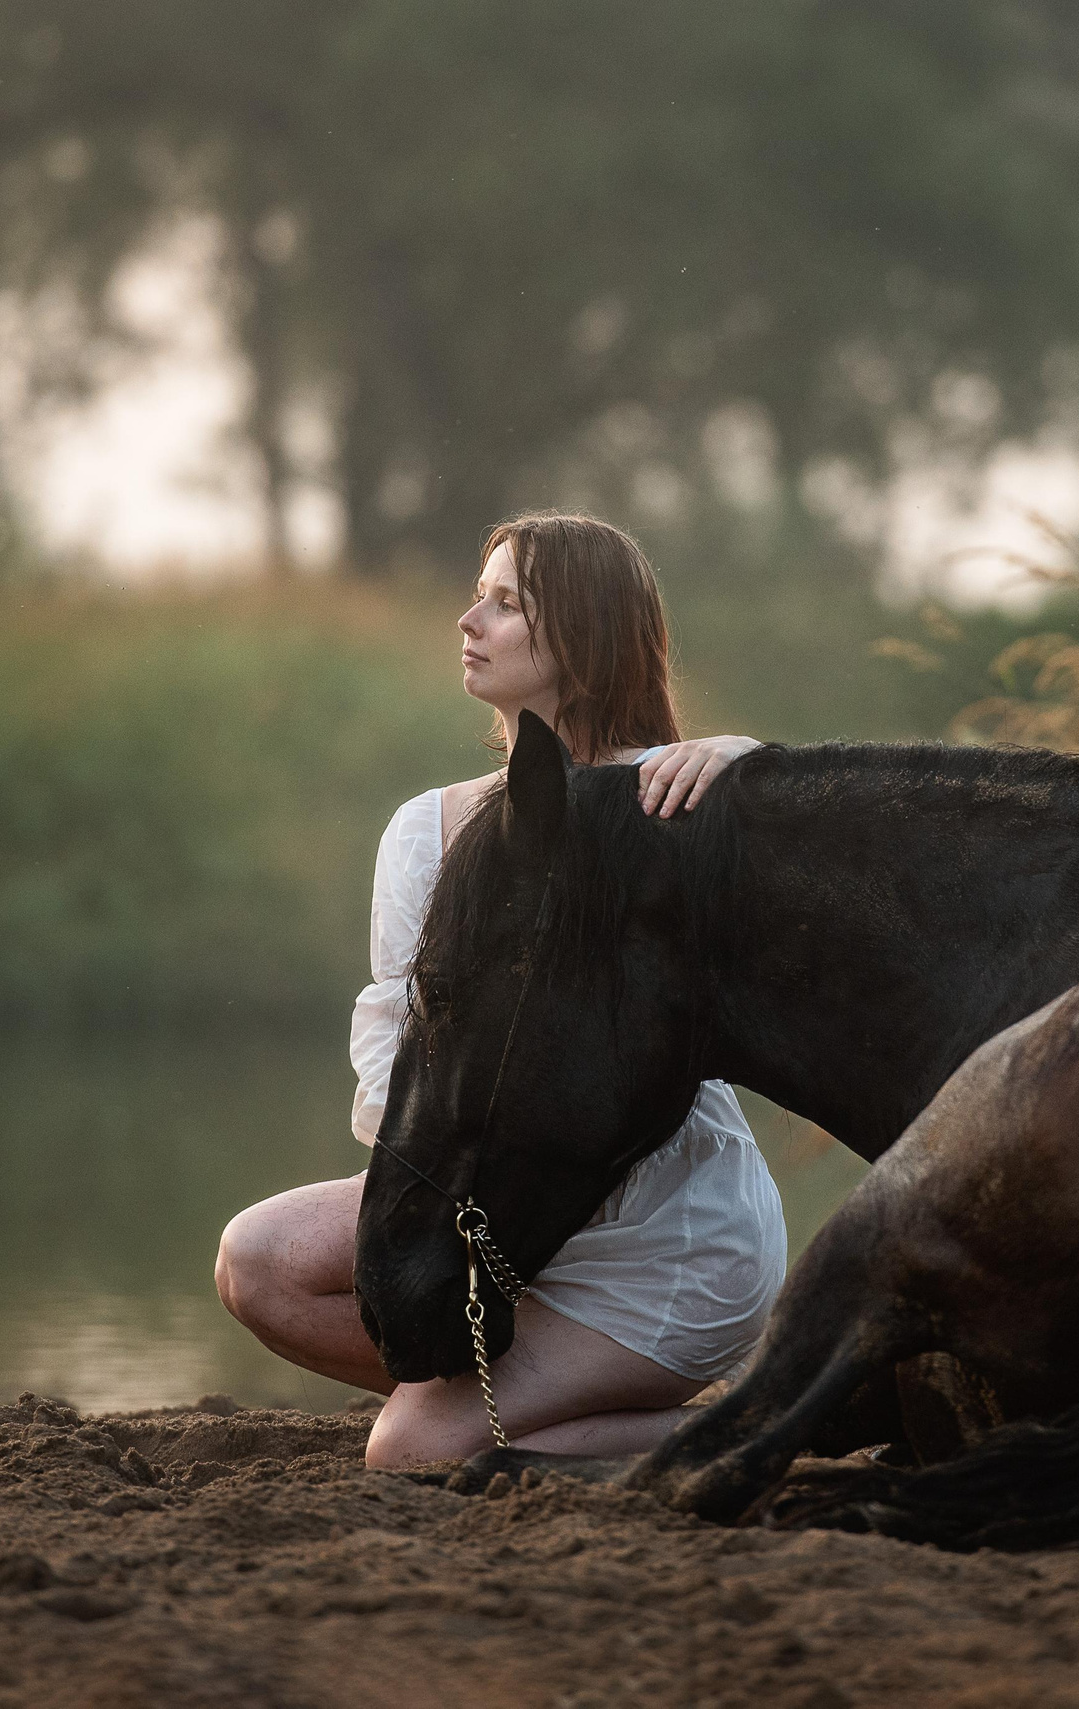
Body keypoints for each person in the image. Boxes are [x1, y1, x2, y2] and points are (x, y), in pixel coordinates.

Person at [215, 512, 787, 1469]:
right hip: (488, 1207)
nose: (468, 619)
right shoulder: (425, 829)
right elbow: (393, 1032)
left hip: (660, 1242)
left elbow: (815, 898)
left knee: (410, 1452)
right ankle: (498, 1401)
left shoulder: (673, 798)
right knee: (257, 1260)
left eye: (506, 602)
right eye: (479, 595)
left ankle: (771, 1420)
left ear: (585, 632)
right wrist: (442, 1196)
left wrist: (751, 764)